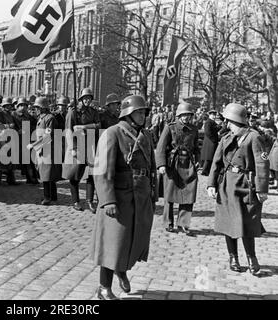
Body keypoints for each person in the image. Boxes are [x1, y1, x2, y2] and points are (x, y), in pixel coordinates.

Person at [90, 95, 156, 300]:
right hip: (119, 197)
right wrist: (107, 200)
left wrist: (153, 192)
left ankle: (122, 270)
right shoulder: (113, 133)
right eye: (139, 112)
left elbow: (151, 167)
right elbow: (101, 170)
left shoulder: (144, 135)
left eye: (144, 112)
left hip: (140, 196)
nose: (143, 115)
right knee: (113, 243)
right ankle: (103, 288)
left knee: (133, 240)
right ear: (127, 114)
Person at [207, 103, 269, 276]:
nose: (226, 124)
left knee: (247, 222)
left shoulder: (253, 137)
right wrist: (211, 184)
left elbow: (262, 163)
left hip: (245, 185)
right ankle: (233, 257)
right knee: (228, 222)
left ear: (234, 120)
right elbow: (216, 162)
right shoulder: (226, 138)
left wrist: (261, 188)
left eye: (228, 121)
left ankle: (251, 258)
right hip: (226, 185)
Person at [156, 102, 200, 235]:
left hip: (188, 164)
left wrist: (198, 161)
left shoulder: (193, 129)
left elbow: (196, 147)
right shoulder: (170, 128)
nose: (186, 117)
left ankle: (183, 224)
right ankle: (168, 222)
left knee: (188, 193)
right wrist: (161, 164)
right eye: (184, 115)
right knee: (170, 194)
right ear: (179, 115)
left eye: (188, 115)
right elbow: (161, 148)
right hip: (172, 164)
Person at [63, 88, 101, 213]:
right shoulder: (73, 112)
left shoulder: (93, 112)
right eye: (85, 98)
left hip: (90, 145)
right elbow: (68, 130)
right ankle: (76, 201)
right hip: (78, 145)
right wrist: (73, 147)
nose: (87, 100)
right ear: (81, 99)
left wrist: (84, 126)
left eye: (89, 98)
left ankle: (89, 201)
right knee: (75, 174)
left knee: (91, 174)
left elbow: (98, 125)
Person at [28, 97, 62, 205]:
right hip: (42, 149)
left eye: (37, 107)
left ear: (43, 108)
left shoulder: (49, 118)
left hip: (48, 149)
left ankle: (47, 197)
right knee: (47, 173)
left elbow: (48, 136)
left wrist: (34, 145)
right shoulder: (42, 118)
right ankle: (53, 196)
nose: (36, 109)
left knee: (47, 174)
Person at [12, 97, 39, 185]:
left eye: (25, 105)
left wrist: (29, 130)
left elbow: (35, 125)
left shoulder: (29, 116)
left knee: (29, 160)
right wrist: (17, 131)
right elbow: (10, 126)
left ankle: (32, 178)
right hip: (16, 140)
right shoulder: (13, 115)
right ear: (18, 106)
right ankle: (12, 179)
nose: (23, 107)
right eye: (22, 105)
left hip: (27, 139)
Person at [0, 97, 18, 185]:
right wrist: (8, 126)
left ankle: (11, 179)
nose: (9, 107)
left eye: (10, 105)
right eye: (7, 105)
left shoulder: (10, 114)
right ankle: (0, 178)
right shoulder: (0, 114)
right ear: (4, 106)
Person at [201, 110, 220, 176]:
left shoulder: (212, 122)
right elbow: (208, 132)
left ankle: (207, 171)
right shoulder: (208, 122)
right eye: (213, 115)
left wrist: (219, 127)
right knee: (208, 157)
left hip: (211, 141)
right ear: (210, 115)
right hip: (210, 141)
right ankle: (204, 171)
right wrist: (213, 139)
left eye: (215, 115)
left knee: (210, 157)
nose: (214, 116)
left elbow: (214, 129)